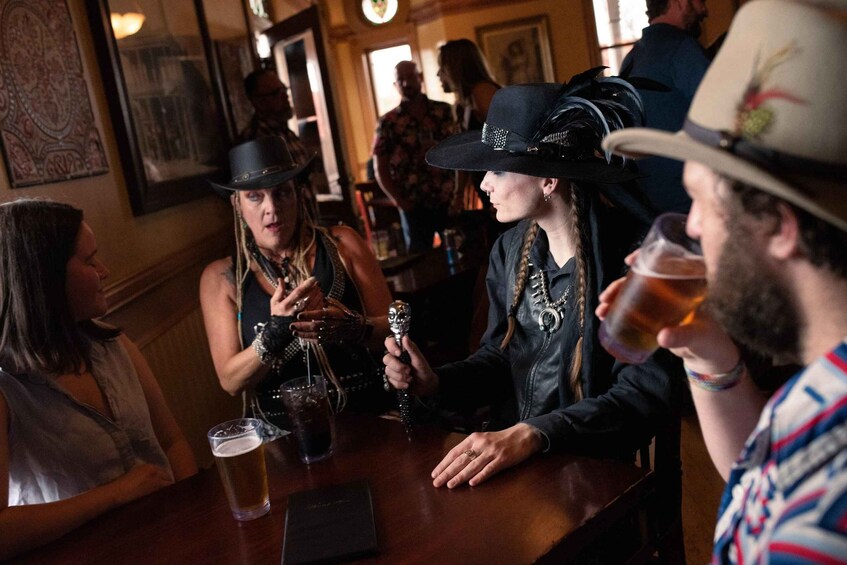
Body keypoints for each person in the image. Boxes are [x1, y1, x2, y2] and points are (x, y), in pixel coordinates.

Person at [601, 1, 847, 561]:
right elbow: (762, 480)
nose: (691, 225)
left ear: (779, 226)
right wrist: (707, 353)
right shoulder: (825, 373)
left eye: (701, 200)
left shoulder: (817, 527)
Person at [383, 72, 680, 489]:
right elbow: (500, 358)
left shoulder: (633, 259)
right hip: (519, 464)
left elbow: (642, 396)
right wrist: (436, 381)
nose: (484, 184)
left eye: (498, 170)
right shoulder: (510, 250)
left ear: (548, 179)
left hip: (596, 475)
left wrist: (535, 433)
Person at [0, 199, 197, 559]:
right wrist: (116, 493)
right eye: (90, 262)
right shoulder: (7, 388)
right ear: (43, 279)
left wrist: (197, 520)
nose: (104, 271)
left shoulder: (113, 344)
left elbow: (172, 442)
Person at [200, 136, 394, 436]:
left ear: (298, 194)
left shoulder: (343, 243)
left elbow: (393, 330)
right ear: (237, 204)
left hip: (369, 413)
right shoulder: (222, 278)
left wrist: (352, 326)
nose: (272, 208)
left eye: (282, 192)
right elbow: (230, 381)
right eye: (255, 197)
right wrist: (275, 333)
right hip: (283, 434)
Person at [618, 0, 710, 214]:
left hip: (648, 207)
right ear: (680, 3)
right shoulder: (684, 49)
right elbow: (719, 120)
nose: (704, 10)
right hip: (693, 201)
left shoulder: (630, 59)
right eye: (700, 1)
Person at [372, 61, 456, 253]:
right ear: (395, 85)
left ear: (420, 78)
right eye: (400, 79)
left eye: (410, 77)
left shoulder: (443, 111)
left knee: (457, 251)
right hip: (413, 204)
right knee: (419, 257)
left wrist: (459, 193)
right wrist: (399, 201)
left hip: (447, 198)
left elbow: (460, 151)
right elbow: (380, 167)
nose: (405, 83)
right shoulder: (388, 122)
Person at [239, 69, 322, 223]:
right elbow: (267, 195)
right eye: (276, 93)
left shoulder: (288, 134)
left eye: (284, 90)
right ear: (258, 101)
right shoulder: (256, 140)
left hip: (310, 226)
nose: (285, 96)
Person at [437, 39, 501, 213]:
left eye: (442, 67)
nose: (438, 74)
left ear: (456, 68)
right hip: (488, 187)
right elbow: (463, 152)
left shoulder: (482, 92)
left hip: (500, 186)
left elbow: (504, 143)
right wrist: (458, 195)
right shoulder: (462, 104)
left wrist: (501, 187)